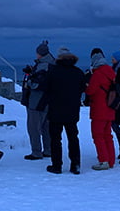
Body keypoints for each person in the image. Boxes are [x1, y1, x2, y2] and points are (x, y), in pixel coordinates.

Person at [43, 46, 86, 175]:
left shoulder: (52, 72)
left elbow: (46, 89)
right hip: (72, 110)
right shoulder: (78, 72)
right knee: (73, 137)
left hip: (55, 110)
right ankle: (76, 165)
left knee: (56, 139)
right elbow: (82, 89)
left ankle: (57, 165)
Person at [21, 40, 55, 160]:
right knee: (46, 127)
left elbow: (39, 83)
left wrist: (29, 82)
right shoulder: (52, 64)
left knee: (34, 128)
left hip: (37, 101)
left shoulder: (43, 65)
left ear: (40, 53)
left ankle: (36, 152)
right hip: (48, 101)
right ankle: (48, 150)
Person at [85, 49, 116, 170]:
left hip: (99, 108)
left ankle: (103, 160)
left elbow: (90, 91)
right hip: (110, 108)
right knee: (108, 135)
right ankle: (111, 160)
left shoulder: (97, 74)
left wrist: (86, 86)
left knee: (98, 135)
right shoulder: (111, 71)